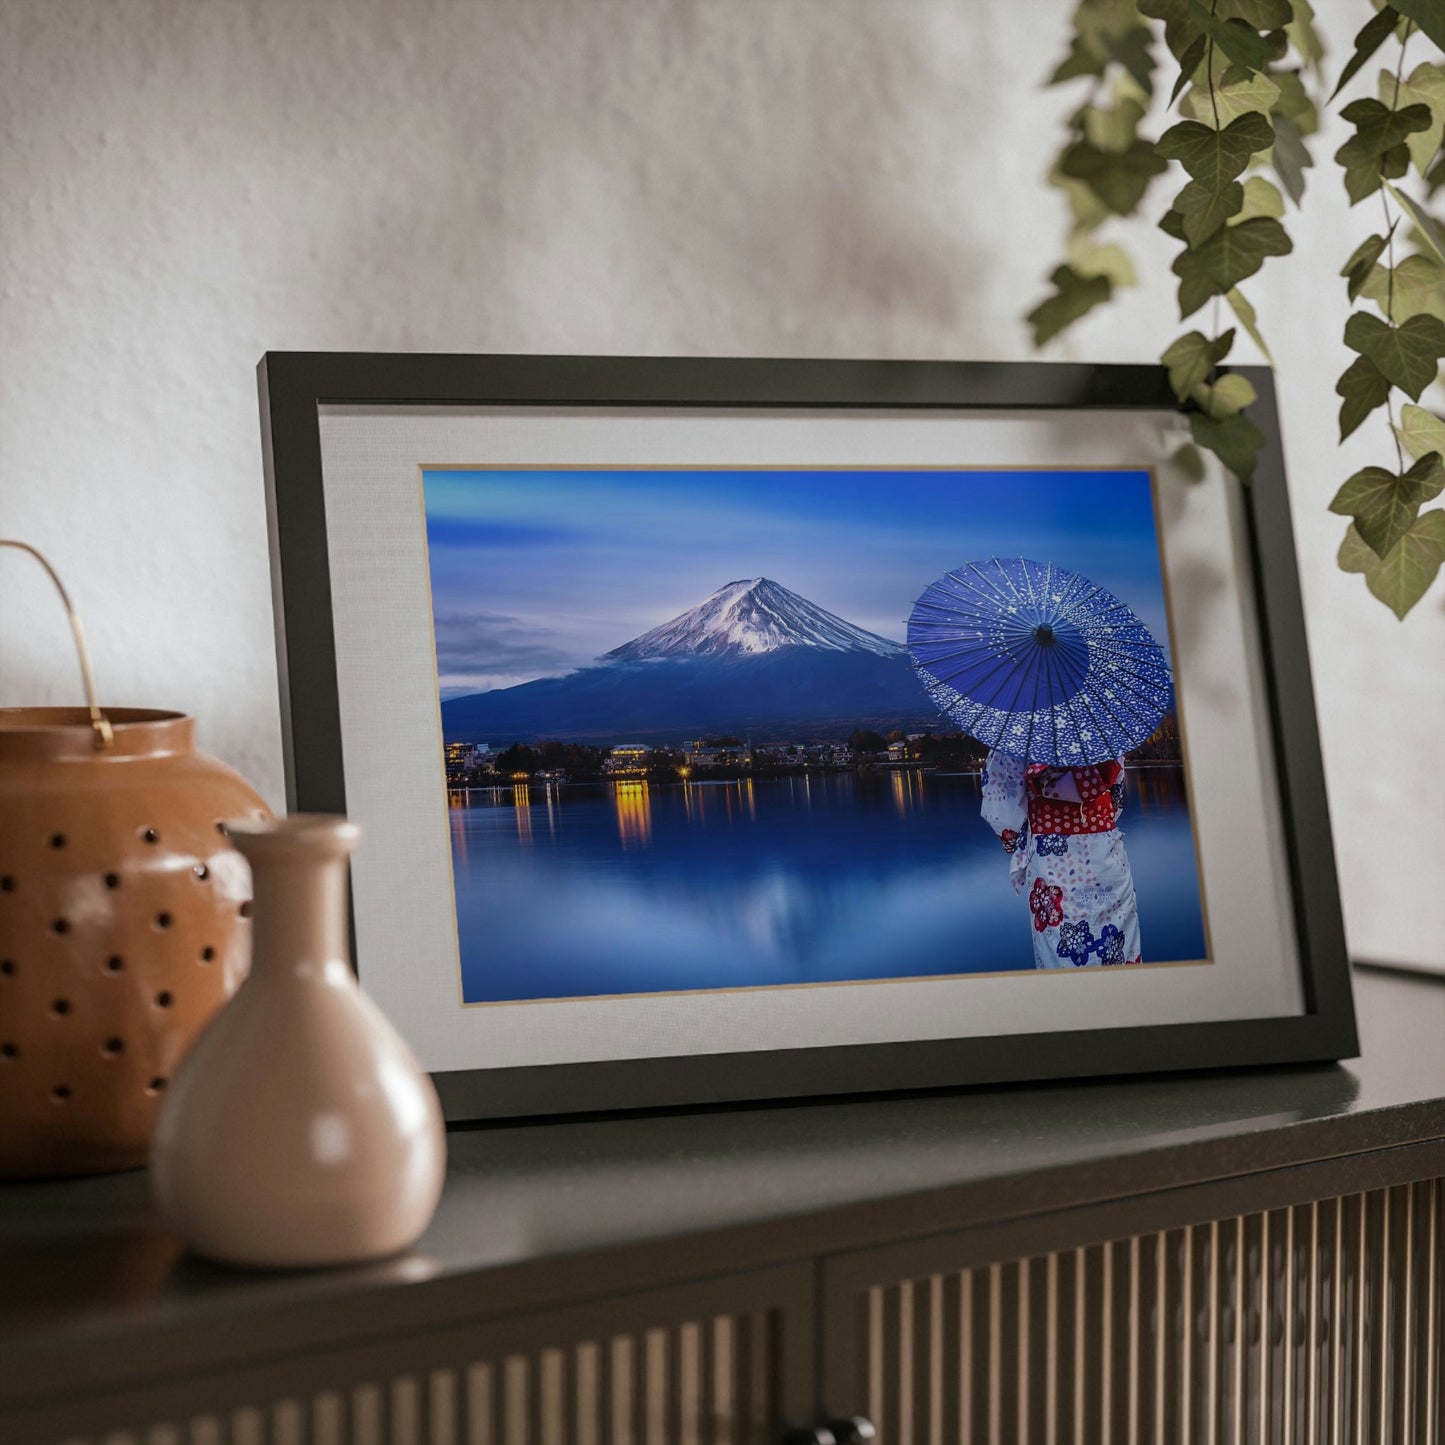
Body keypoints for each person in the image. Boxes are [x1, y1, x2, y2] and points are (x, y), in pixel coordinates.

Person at [980, 748, 1142, 969]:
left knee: (1058, 958)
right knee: (1118, 952)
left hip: (1051, 861)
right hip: (1106, 854)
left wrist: (1017, 840)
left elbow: (1001, 811)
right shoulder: (1102, 731)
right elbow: (1116, 797)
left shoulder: (1020, 736)